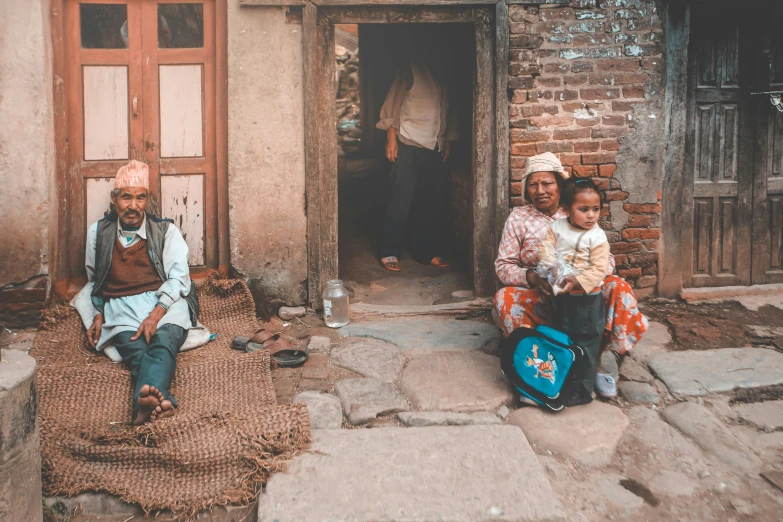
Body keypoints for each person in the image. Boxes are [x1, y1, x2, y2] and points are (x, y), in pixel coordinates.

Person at [494, 152, 648, 398]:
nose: (540, 190)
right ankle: (541, 368)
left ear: (559, 185)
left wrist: (582, 280)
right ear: (526, 189)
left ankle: (592, 363)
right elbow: (504, 265)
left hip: (582, 293)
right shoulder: (519, 218)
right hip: (542, 292)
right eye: (533, 184)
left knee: (618, 287)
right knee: (505, 298)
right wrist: (531, 278)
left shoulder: (577, 210)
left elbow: (606, 260)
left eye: (547, 183)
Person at [85, 160, 199, 425]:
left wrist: (156, 314)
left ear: (147, 200)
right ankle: (159, 399)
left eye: (140, 198)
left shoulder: (166, 232)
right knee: (136, 352)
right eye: (126, 198)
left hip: (165, 301)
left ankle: (143, 405)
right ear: (115, 199)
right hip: (121, 307)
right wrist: (99, 314)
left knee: (163, 343)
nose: (133, 206)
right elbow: (95, 281)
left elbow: (179, 278)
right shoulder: (99, 233)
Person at [376, 43, 458, 272]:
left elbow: (450, 112)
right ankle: (389, 250)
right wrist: (391, 139)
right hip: (407, 143)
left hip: (434, 146)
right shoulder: (411, 70)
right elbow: (392, 107)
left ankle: (425, 251)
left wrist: (448, 140)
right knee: (400, 198)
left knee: (430, 201)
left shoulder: (447, 75)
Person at [537, 178, 609, 405]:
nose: (591, 216)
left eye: (596, 209)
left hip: (587, 301)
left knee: (586, 344)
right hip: (562, 298)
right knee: (563, 339)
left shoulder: (597, 237)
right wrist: (552, 266)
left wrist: (576, 281)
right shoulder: (557, 227)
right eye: (584, 209)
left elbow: (599, 269)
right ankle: (561, 385)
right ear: (567, 209)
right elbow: (546, 249)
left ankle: (581, 392)